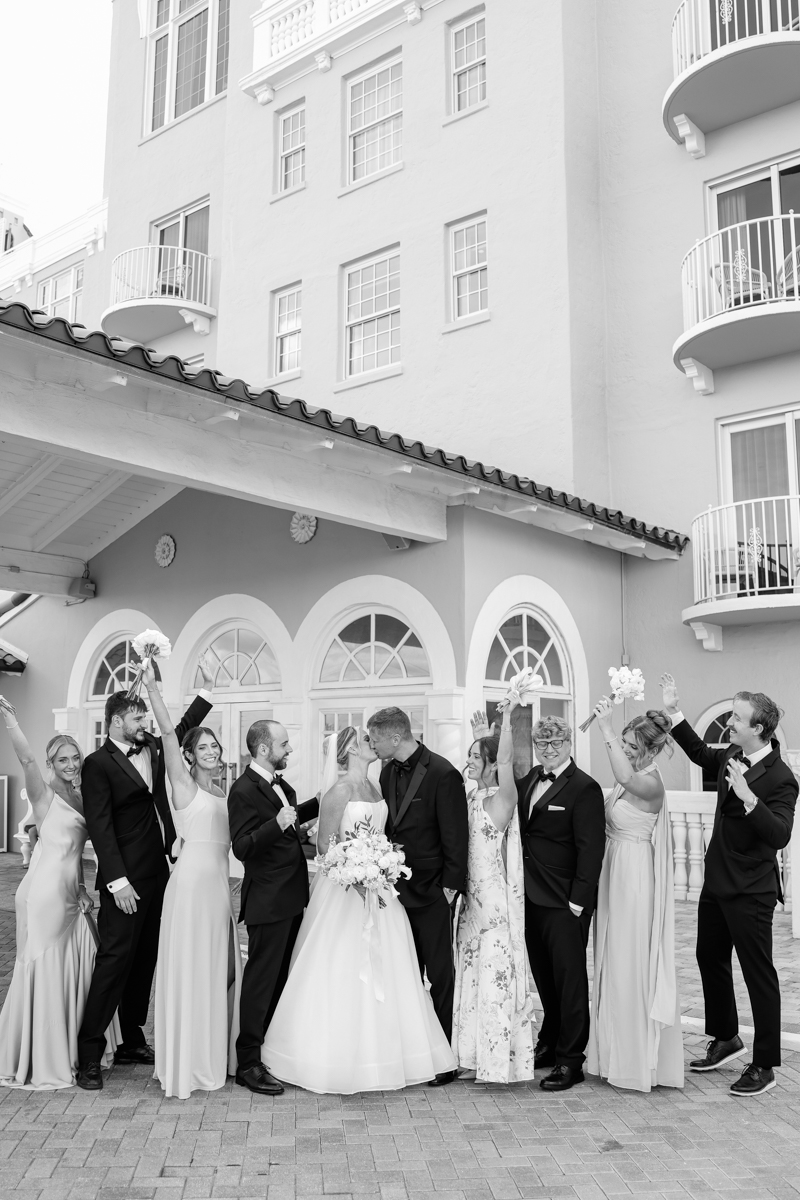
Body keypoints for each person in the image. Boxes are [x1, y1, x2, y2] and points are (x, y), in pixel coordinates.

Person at [263, 727, 457, 1093]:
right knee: (344, 969)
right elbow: (325, 847)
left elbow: (384, 834)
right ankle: (334, 1056)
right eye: (366, 740)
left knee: (393, 968)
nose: (373, 743)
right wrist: (355, 874)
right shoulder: (339, 791)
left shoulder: (376, 786)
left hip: (381, 889)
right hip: (346, 893)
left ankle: (393, 1053)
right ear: (351, 748)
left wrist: (383, 863)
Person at [75, 657, 214, 1090]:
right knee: (115, 961)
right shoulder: (97, 764)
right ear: (117, 721)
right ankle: (89, 1053)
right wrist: (117, 882)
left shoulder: (151, 746)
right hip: (125, 882)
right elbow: (100, 826)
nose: (145, 724)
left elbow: (179, 728)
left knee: (144, 960)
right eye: (137, 718)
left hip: (160, 873)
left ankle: (132, 1038)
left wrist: (206, 691)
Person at [660, 674, 798, 1097]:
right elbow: (701, 753)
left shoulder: (782, 778)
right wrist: (674, 712)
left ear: (758, 728)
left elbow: (780, 835)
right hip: (716, 881)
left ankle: (764, 1064)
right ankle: (726, 1038)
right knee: (709, 956)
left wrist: (748, 797)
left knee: (759, 975)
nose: (730, 723)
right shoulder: (733, 753)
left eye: (737, 718)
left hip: (752, 890)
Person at [0, 699, 119, 1089]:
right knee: (46, 969)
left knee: (81, 964)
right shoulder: (43, 795)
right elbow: (27, 760)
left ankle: (74, 1049)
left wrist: (83, 888)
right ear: (51, 763)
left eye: (75, 758)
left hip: (71, 892)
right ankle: (42, 1056)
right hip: (43, 895)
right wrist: (11, 721)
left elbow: (76, 852)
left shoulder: (82, 797)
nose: (70, 765)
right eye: (62, 760)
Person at [141, 660, 242, 1099]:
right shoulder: (182, 786)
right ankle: (187, 1063)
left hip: (218, 889)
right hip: (189, 888)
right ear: (189, 755)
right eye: (203, 747)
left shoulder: (225, 792)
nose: (212, 751)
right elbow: (167, 733)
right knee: (191, 970)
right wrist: (153, 689)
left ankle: (211, 1053)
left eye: (215, 746)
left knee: (218, 971)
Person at [368, 707, 469, 1087]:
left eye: (375, 738)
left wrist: (448, 890)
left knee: (440, 974)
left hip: (431, 891)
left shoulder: (443, 773)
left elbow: (456, 836)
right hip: (395, 892)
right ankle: (410, 1048)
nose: (372, 745)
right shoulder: (385, 772)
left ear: (396, 737)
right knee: (404, 972)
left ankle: (443, 1057)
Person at [586, 699, 683, 1092]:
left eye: (632, 746)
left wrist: (606, 728)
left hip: (634, 875)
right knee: (611, 957)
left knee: (629, 959)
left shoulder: (650, 783)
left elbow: (624, 777)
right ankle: (612, 1053)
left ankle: (635, 1060)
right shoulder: (632, 775)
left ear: (652, 751)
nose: (625, 750)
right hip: (614, 869)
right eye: (623, 743)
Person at [228, 719, 319, 1096]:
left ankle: (269, 1050)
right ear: (264, 749)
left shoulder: (283, 786)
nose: (289, 750)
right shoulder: (242, 790)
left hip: (292, 896)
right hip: (267, 899)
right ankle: (247, 1063)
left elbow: (287, 828)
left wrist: (317, 806)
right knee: (261, 981)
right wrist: (278, 825)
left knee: (281, 978)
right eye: (284, 744)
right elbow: (242, 847)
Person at [516, 714, 605, 1091]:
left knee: (569, 982)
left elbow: (591, 849)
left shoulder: (584, 787)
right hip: (529, 896)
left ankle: (571, 1060)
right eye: (542, 743)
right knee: (544, 977)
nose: (549, 749)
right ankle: (550, 1043)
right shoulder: (529, 779)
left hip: (565, 901)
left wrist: (579, 902)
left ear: (569, 744)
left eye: (556, 743)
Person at [452, 701, 536, 1083]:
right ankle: (470, 1056)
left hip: (495, 908)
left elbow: (504, 761)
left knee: (493, 981)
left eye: (475, 757)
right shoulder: (470, 799)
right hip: (471, 905)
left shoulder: (503, 800)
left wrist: (504, 723)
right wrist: (481, 739)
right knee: (470, 979)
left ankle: (498, 1062)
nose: (468, 762)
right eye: (468, 755)